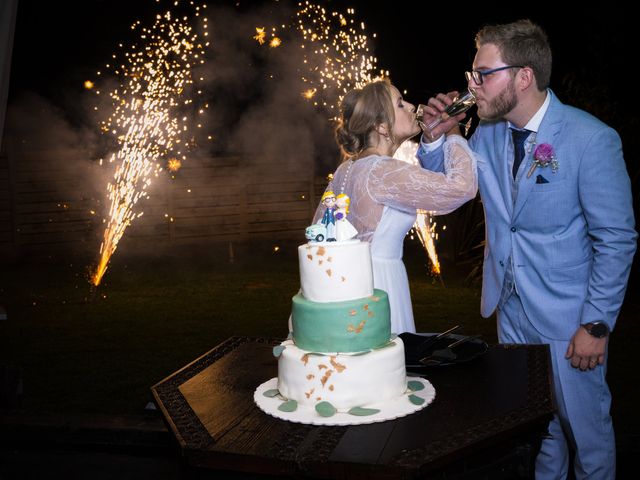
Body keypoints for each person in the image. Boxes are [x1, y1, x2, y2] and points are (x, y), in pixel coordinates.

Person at [418, 19, 637, 479]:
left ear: (523, 76)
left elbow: (615, 239)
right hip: (510, 313)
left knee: (587, 433)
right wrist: (436, 138)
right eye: (471, 75)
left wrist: (596, 324)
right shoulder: (488, 134)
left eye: (483, 73)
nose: (472, 85)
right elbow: (450, 185)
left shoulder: (591, 139)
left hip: (569, 318)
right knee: (536, 431)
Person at [313, 79, 477, 334]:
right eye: (400, 104)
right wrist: (453, 131)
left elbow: (318, 234)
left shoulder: (346, 169)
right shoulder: (382, 171)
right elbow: (462, 187)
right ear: (381, 126)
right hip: (380, 288)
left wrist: (435, 136)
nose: (411, 106)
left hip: (347, 287)